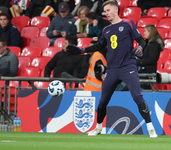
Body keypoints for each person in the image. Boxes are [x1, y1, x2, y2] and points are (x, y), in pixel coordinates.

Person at [66, 0, 157, 138]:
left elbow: (141, 41)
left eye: (108, 10)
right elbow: (98, 46)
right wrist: (81, 50)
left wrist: (140, 48)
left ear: (116, 10)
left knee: (137, 96)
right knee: (103, 101)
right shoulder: (106, 30)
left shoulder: (128, 24)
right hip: (112, 69)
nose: (106, 13)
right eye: (105, 11)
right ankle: (98, 128)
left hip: (128, 67)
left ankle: (151, 128)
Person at [137, 24, 164, 89]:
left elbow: (151, 59)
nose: (144, 33)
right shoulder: (147, 43)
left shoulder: (154, 45)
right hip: (143, 71)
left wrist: (138, 61)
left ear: (150, 32)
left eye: (145, 31)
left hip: (147, 72)